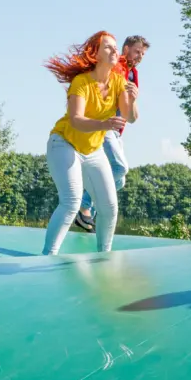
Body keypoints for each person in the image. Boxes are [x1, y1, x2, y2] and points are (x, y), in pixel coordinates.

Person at [41, 31, 139, 255]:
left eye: (115, 47)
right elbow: (76, 120)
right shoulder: (82, 82)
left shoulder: (118, 81)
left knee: (109, 207)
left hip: (93, 150)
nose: (115, 50)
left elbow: (130, 117)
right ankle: (48, 256)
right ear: (95, 54)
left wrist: (133, 100)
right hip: (65, 144)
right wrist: (104, 124)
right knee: (71, 202)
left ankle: (103, 258)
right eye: (108, 47)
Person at [74, 35, 150, 233]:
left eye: (143, 54)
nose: (140, 56)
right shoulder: (117, 65)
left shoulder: (133, 73)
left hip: (116, 131)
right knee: (119, 167)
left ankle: (89, 211)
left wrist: (132, 100)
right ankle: (83, 207)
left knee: (120, 180)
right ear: (125, 49)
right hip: (104, 125)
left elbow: (129, 110)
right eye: (137, 51)